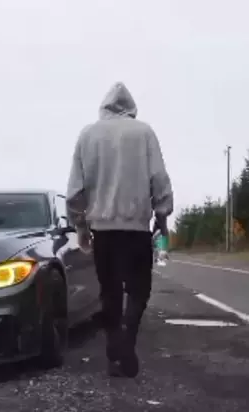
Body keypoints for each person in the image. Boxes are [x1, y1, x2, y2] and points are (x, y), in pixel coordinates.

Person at [66, 81, 173, 378]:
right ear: (131, 107)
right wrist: (162, 219)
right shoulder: (144, 132)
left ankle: (115, 349)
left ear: (104, 106)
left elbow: (75, 191)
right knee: (139, 290)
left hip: (103, 231)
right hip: (136, 229)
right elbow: (159, 179)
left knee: (110, 292)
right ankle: (127, 339)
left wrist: (81, 227)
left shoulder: (88, 135)